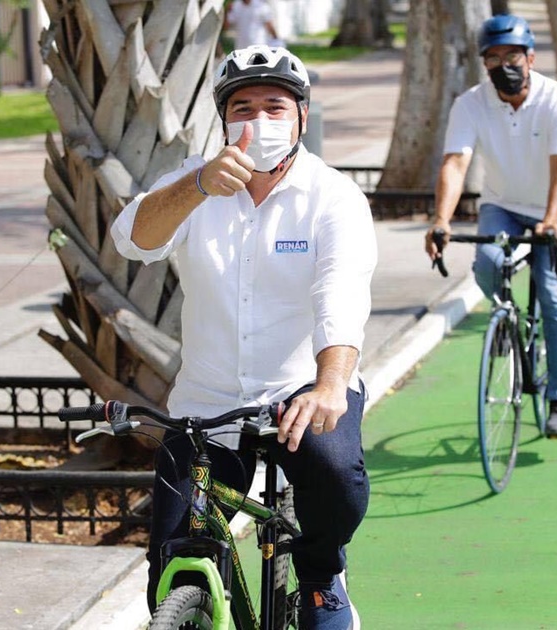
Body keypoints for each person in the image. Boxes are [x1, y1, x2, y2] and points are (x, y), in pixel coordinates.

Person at [110, 45, 376, 630]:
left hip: (301, 393)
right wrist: (198, 186)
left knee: (336, 480)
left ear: (302, 118)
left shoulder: (334, 198)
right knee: (170, 567)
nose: (258, 121)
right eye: (243, 107)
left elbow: (341, 297)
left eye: (275, 107)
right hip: (207, 403)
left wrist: (330, 385)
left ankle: (322, 573)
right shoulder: (195, 183)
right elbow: (131, 239)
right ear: (224, 120)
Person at [425, 14, 557, 439]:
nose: (503, 65)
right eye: (493, 58)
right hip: (503, 206)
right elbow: (455, 163)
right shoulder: (471, 104)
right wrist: (441, 219)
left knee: (554, 296)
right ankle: (508, 321)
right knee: (487, 265)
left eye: (512, 55)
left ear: (531, 57)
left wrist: (550, 221)